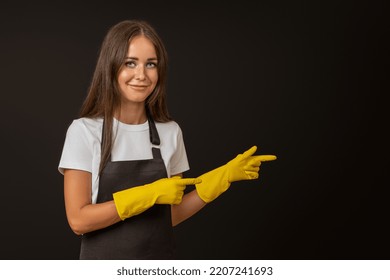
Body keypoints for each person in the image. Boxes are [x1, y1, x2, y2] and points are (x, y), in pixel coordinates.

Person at [58, 19, 276, 260]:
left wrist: (217, 181)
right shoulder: (84, 131)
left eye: (150, 64)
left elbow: (168, 217)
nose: (141, 75)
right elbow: (79, 220)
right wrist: (149, 193)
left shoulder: (170, 132)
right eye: (130, 63)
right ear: (111, 66)